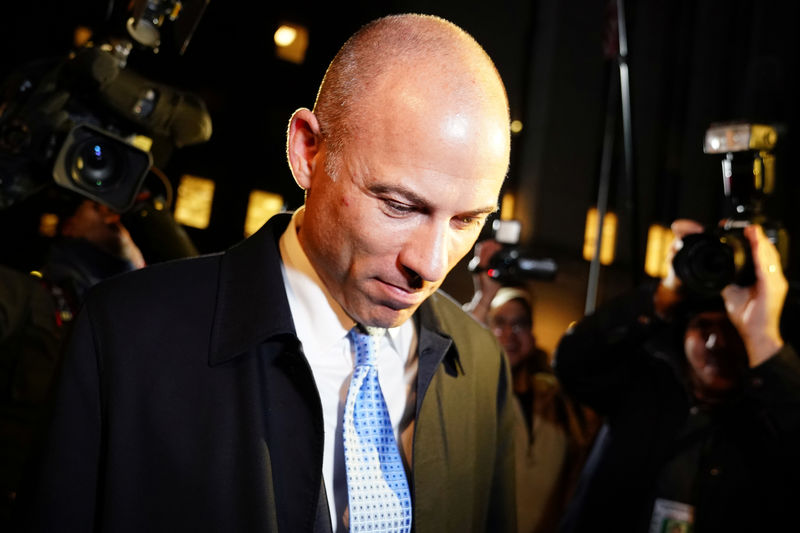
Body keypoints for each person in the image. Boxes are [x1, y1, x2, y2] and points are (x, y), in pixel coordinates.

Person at [22, 14, 516, 533]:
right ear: (307, 151)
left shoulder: (483, 365)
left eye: (468, 220)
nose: (432, 265)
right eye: (398, 205)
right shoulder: (126, 334)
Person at [553, 219, 800, 532]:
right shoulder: (644, 384)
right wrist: (664, 293)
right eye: (704, 327)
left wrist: (763, 339)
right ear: (683, 334)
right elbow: (574, 362)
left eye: (732, 331)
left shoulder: (769, 416)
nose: (715, 343)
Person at [1, 193, 144, 527]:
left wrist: (148, 226)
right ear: (69, 226)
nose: (113, 218)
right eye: (98, 207)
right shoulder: (23, 295)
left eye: (120, 212)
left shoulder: (137, 323)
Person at [465, 239, 598, 533]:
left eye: (520, 324)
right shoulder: (476, 392)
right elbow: (453, 354)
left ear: (533, 333)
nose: (510, 334)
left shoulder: (559, 401)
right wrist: (484, 299)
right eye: (500, 323)